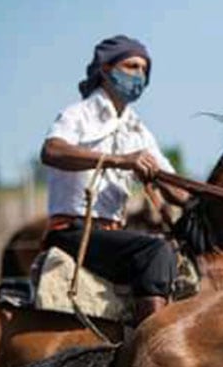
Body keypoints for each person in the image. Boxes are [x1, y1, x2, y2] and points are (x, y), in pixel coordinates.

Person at [40, 34, 188, 325]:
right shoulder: (77, 114)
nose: (140, 75)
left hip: (111, 234)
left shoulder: (138, 129)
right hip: (73, 232)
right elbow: (51, 151)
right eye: (132, 66)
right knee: (154, 251)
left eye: (144, 70)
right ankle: (151, 345)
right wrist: (120, 160)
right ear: (106, 70)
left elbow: (175, 187)